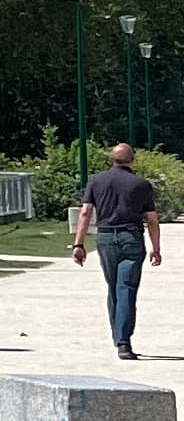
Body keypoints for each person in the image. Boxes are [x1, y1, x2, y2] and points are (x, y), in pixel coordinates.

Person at [73, 140, 162, 361]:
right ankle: (124, 342)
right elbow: (151, 220)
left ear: (112, 160)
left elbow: (85, 213)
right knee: (127, 289)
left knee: (113, 288)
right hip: (131, 238)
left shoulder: (96, 181)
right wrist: (156, 248)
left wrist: (79, 244)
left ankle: (117, 336)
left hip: (105, 238)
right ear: (132, 160)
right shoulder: (141, 184)